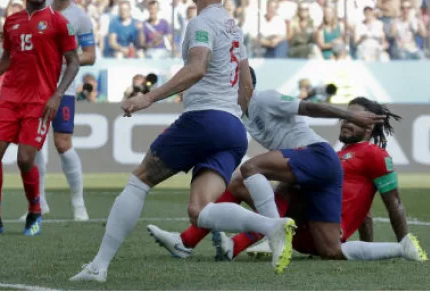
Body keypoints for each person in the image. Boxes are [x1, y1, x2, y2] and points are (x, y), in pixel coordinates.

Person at [70, 0, 293, 283]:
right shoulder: (234, 27)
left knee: (141, 178)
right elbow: (246, 83)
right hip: (232, 128)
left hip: (205, 119)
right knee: (199, 211)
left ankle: (99, 266)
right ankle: (272, 226)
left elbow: (197, 67)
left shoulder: (202, 23)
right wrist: (235, 117)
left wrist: (148, 98)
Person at [150, 86, 426, 263]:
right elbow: (362, 212)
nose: (346, 121)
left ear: (369, 126)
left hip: (322, 230)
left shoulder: (376, 155)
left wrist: (404, 239)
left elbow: (393, 204)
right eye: (345, 116)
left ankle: (222, 241)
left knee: (265, 183)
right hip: (310, 231)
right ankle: (220, 243)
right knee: (271, 186)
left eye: (354, 118)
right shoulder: (337, 155)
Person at [0, 0, 80, 237]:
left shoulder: (59, 22)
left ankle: (35, 210)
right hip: (10, 98)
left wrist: (57, 94)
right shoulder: (12, 21)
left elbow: (74, 61)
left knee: (25, 159)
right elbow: (7, 58)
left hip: (39, 102)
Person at [28, 0, 96, 221]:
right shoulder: (38, 13)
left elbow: (90, 55)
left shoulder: (79, 17)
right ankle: (40, 201)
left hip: (63, 88)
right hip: (36, 87)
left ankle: (78, 204)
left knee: (62, 142)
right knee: (34, 144)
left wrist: (64, 57)